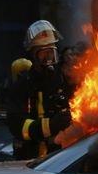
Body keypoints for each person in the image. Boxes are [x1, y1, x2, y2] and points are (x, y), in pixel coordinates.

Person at [7, 20, 73, 160]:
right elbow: (19, 127)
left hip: (61, 158)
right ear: (33, 55)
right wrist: (51, 125)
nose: (49, 58)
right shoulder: (22, 86)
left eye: (52, 52)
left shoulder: (63, 81)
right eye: (43, 53)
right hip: (30, 159)